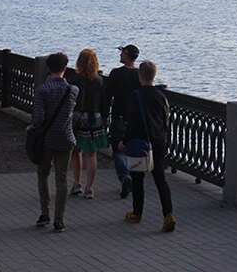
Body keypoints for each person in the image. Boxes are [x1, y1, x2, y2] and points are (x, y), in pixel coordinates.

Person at [121, 61, 175, 232]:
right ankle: (168, 214)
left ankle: (137, 213)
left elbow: (132, 122)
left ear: (140, 75)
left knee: (137, 178)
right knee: (160, 178)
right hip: (158, 141)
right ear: (154, 75)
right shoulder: (161, 96)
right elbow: (166, 120)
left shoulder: (135, 96)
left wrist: (125, 140)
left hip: (139, 141)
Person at [27, 52, 78, 233]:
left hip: (46, 139)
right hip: (65, 138)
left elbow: (39, 118)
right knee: (62, 178)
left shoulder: (42, 90)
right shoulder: (73, 90)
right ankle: (59, 220)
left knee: (43, 174)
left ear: (49, 68)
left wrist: (32, 127)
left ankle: (45, 212)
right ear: (65, 68)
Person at [68, 49, 109, 199]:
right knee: (92, 153)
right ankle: (90, 187)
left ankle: (77, 183)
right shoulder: (99, 80)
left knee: (76, 150)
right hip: (95, 118)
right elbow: (104, 102)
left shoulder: (74, 80)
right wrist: (105, 118)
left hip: (78, 118)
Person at [104, 44, 141, 198]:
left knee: (117, 149)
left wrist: (104, 115)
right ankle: (133, 178)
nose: (120, 55)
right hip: (135, 118)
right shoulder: (139, 75)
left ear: (127, 55)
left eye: (122, 53)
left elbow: (107, 95)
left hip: (119, 115)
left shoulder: (116, 74)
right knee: (132, 148)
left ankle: (125, 177)